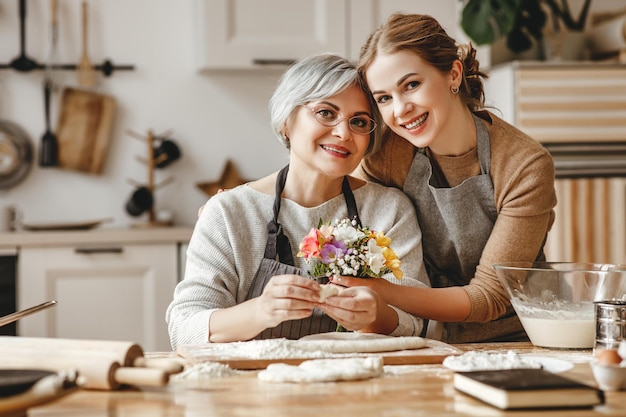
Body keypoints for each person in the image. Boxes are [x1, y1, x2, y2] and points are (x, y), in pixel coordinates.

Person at [166, 53, 429, 348]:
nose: (343, 133)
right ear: (286, 122)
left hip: (357, 386)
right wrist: (261, 311)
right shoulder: (229, 213)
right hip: (252, 389)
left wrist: (376, 317)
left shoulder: (389, 210)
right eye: (326, 113)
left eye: (359, 121)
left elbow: (418, 323)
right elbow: (184, 329)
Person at [331, 13, 557, 343]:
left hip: (517, 339)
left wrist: (377, 290)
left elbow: (488, 298)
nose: (400, 109)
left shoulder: (523, 164)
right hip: (422, 336)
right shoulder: (389, 155)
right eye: (384, 98)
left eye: (411, 85)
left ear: (453, 74)